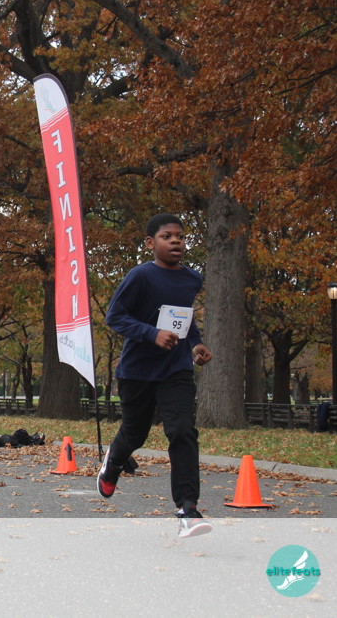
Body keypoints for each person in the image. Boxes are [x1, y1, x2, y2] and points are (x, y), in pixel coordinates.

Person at [96, 213, 214, 538]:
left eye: (180, 236)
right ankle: (114, 462)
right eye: (167, 236)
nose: (175, 241)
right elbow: (115, 316)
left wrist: (196, 343)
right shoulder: (140, 276)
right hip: (137, 371)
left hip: (176, 369)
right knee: (135, 434)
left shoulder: (191, 279)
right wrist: (152, 334)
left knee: (182, 431)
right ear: (150, 243)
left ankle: (188, 510)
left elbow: (184, 319)